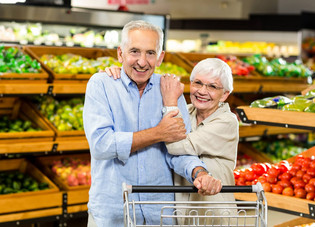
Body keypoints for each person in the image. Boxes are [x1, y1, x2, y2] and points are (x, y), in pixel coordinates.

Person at [83, 20, 222, 227]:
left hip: (160, 212)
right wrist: (159, 133)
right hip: (114, 211)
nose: (142, 61)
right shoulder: (101, 85)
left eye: (150, 53)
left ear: (160, 57)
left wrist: (198, 172)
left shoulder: (170, 90)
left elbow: (179, 149)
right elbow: (101, 145)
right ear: (120, 54)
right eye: (134, 51)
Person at [104, 58, 239, 225]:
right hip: (184, 213)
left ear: (225, 94)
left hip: (214, 213)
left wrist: (170, 101)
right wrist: (120, 76)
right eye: (198, 83)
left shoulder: (227, 121)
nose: (202, 91)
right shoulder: (187, 111)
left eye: (212, 86)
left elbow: (176, 144)